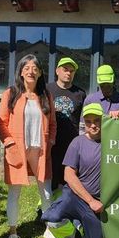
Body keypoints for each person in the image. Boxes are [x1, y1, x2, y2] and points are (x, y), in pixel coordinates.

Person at [0, 55, 56, 238]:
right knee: (15, 192)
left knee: (46, 191)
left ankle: (49, 228)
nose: (31, 71)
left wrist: (52, 139)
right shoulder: (11, 93)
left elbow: (53, 123)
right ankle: (13, 233)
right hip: (17, 149)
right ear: (21, 71)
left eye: (35, 68)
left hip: (40, 150)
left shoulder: (46, 96)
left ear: (39, 73)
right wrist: (9, 142)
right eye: (27, 67)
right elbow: (0, 122)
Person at [41, 103, 104, 238]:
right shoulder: (78, 142)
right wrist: (90, 201)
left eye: (97, 121)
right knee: (52, 218)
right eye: (88, 122)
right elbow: (68, 175)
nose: (93, 125)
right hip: (76, 196)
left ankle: (82, 227)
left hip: (98, 202)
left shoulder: (113, 142)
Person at [46, 57, 86, 191]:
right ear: (57, 71)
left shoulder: (80, 94)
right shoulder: (47, 89)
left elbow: (83, 120)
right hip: (51, 142)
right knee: (49, 180)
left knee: (68, 181)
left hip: (71, 144)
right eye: (65, 69)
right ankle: (46, 208)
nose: (68, 73)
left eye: (71, 71)